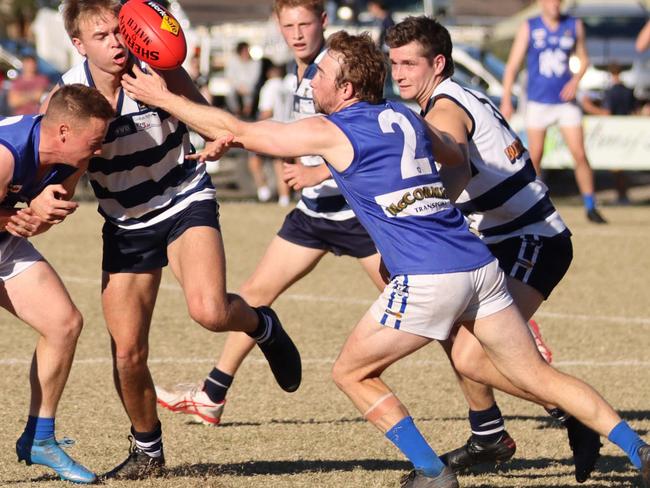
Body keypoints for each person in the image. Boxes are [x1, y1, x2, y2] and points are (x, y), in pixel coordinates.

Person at [122, 30, 650, 488]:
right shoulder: (402, 114)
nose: (312, 83)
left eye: (322, 74)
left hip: (429, 276)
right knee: (537, 375)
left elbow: (240, 129)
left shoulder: (333, 129)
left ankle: (431, 471)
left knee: (352, 372)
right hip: (481, 268)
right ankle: (640, 451)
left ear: (345, 89)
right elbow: (452, 153)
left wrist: (162, 96)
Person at [46, 0, 301, 479]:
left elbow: (217, 123)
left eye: (119, 32)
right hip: (126, 220)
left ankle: (262, 325)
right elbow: (62, 169)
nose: (117, 43)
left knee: (208, 310)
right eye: (101, 38)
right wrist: (45, 200)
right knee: (126, 353)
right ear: (78, 45)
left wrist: (169, 101)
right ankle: (148, 452)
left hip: (184, 196)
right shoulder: (68, 96)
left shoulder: (156, 65)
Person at [386, 16, 601, 482]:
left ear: (437, 63)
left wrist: (421, 221)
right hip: (500, 240)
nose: (398, 72)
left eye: (408, 63)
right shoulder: (448, 99)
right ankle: (488, 434)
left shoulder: (443, 110)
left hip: (532, 238)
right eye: (393, 63)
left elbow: (458, 170)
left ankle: (576, 412)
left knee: (472, 354)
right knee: (453, 328)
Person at [154, 0, 384, 427]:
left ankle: (505, 375)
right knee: (255, 294)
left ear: (323, 23)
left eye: (305, 24)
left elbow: (370, 130)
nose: (297, 33)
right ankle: (212, 393)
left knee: (417, 304)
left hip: (358, 215)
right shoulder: (296, 74)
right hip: (313, 215)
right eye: (288, 24)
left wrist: (318, 170)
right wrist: (232, 140)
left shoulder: (339, 70)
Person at [1, 84, 113, 483]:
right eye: (95, 141)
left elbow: (33, 224)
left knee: (63, 324)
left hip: (3, 245)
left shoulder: (71, 161)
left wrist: (40, 215)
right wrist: (22, 213)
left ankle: (40, 439)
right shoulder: (6, 153)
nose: (99, 150)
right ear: (64, 131)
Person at [500, 0, 607, 224]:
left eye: (559, 1)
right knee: (535, 155)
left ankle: (590, 205)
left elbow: (584, 59)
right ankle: (534, 206)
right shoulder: (529, 26)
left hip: (565, 102)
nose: (555, 5)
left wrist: (575, 82)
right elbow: (512, 65)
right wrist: (507, 99)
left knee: (579, 152)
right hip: (538, 101)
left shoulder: (574, 24)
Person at [251, 61, 293, 206]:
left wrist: (253, 124)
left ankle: (263, 192)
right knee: (281, 164)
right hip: (287, 127)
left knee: (254, 160)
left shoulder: (269, 87)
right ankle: (284, 198)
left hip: (271, 129)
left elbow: (267, 111)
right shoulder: (285, 86)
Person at [225, 41, 261, 118]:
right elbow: (230, 77)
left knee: (250, 91)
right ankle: (236, 113)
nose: (246, 53)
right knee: (231, 92)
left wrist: (245, 87)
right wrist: (238, 86)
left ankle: (247, 113)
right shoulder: (233, 62)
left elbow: (254, 79)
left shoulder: (255, 63)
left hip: (249, 87)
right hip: (236, 86)